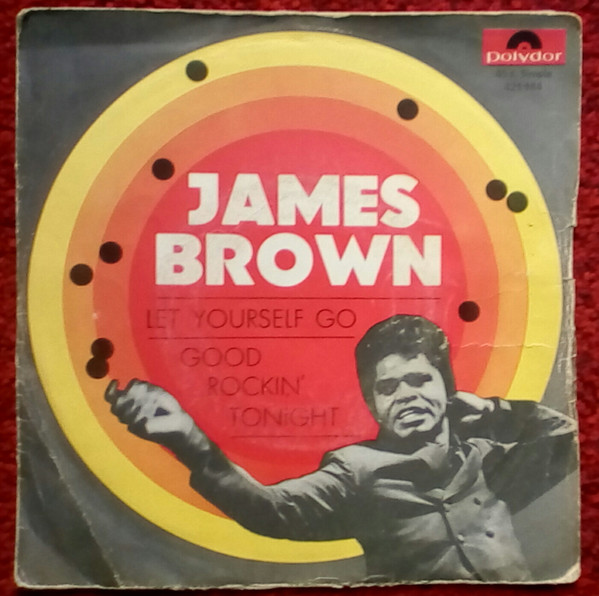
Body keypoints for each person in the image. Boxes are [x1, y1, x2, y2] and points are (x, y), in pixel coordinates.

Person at [106, 315, 576, 582]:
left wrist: (495, 410)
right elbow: (271, 509)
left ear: (447, 389)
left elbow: (570, 442)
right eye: (388, 387)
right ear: (372, 404)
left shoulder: (487, 460)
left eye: (420, 380)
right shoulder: (356, 471)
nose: (407, 395)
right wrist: (188, 439)